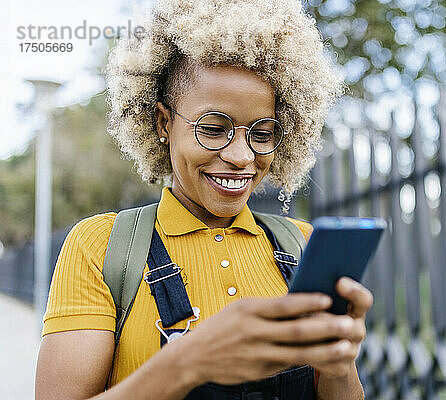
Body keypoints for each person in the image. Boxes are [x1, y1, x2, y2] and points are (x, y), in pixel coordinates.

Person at [35, 0, 374, 399]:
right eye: (214, 129)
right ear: (164, 122)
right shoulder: (100, 248)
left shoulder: (302, 245)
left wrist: (339, 367)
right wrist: (189, 361)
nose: (242, 157)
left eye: (262, 133)